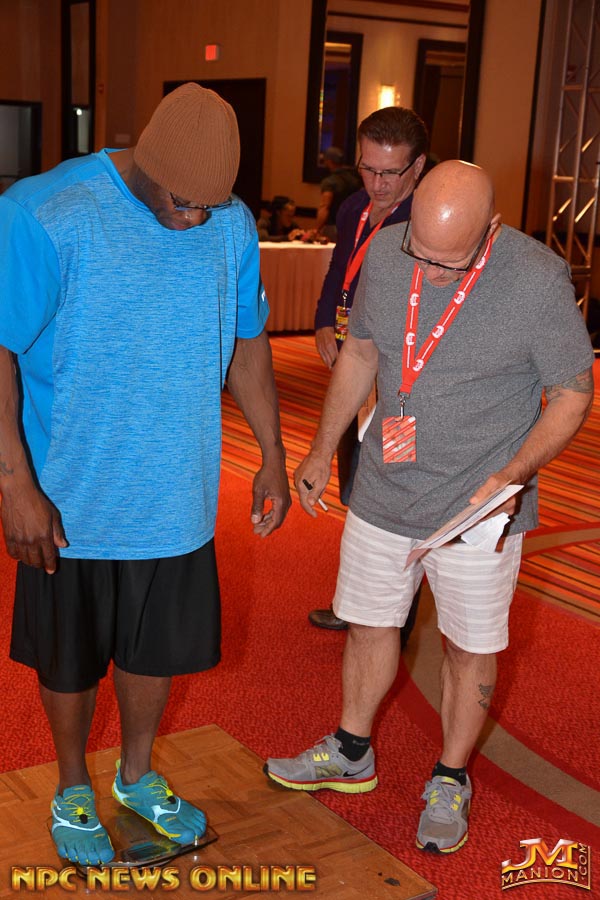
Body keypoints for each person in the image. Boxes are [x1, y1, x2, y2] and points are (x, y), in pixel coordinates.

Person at [265, 160, 593, 854]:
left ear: (491, 230)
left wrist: (513, 473)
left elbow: (573, 392)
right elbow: (361, 353)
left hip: (478, 507)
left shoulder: (537, 280)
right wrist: (321, 449)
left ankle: (450, 776)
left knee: (469, 647)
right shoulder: (389, 250)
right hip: (385, 486)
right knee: (368, 623)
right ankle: (352, 749)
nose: (432, 274)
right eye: (423, 252)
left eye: (451, 262)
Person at [0, 83, 291, 866]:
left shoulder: (230, 224)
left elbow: (248, 339)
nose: (196, 220)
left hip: (176, 495)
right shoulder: (46, 213)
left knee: (153, 652)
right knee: (69, 658)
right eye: (181, 203)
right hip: (70, 498)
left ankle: (136, 776)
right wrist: (14, 484)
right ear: (147, 163)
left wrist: (272, 453)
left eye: (209, 206)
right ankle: (71, 786)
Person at [309, 106, 428, 633]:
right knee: (355, 487)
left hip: (404, 388)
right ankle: (359, 601)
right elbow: (341, 268)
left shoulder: (430, 220)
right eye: (367, 168)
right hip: (353, 373)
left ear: (418, 167)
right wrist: (323, 319)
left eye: (390, 173)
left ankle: (393, 621)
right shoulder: (354, 206)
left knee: (396, 490)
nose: (376, 184)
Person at [312, 146, 362, 241]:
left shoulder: (330, 182)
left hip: (333, 228)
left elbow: (325, 206)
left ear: (329, 162)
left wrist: (316, 229)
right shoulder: (355, 180)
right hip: (354, 226)